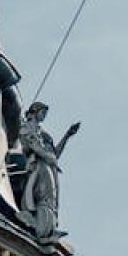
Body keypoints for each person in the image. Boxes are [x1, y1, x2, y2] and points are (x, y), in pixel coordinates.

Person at [14, 102, 79, 239]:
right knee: (45, 196)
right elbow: (33, 147)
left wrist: (67, 135)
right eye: (43, 113)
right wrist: (49, 158)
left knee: (53, 199)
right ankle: (42, 229)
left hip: (49, 165)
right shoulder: (26, 128)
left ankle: (50, 228)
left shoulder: (42, 133)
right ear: (35, 111)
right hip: (39, 165)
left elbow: (55, 154)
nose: (44, 116)